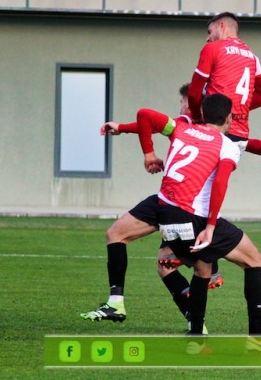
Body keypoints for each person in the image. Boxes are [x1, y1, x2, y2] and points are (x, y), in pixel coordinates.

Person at [80, 84, 222, 326]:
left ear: (189, 101)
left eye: (182, 102)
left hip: (184, 207)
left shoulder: (186, 126)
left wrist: (148, 153)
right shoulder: (198, 126)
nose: (181, 106)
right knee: (119, 236)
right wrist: (122, 129)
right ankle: (118, 303)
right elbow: (150, 123)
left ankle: (207, 282)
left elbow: (147, 117)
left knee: (177, 266)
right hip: (169, 201)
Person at [142, 94, 261, 338]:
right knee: (254, 261)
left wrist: (140, 145)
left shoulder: (182, 129)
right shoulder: (227, 145)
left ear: (202, 113)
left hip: (165, 215)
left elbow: (144, 115)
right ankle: (256, 336)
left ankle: (196, 334)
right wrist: (210, 226)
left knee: (202, 270)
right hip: (196, 218)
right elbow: (220, 182)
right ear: (229, 118)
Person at [188, 12, 261, 146]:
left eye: (210, 32)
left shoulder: (213, 48)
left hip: (217, 127)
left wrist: (197, 118)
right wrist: (238, 109)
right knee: (225, 167)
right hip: (241, 134)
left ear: (221, 26)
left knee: (199, 166)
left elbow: (193, 93)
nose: (208, 38)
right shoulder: (252, 57)